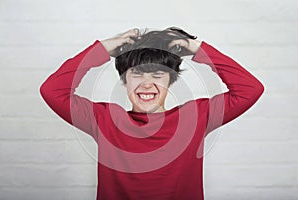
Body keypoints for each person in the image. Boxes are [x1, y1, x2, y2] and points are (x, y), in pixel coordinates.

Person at [40, 27, 264, 200]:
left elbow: (250, 89)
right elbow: (51, 91)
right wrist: (101, 49)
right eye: (137, 74)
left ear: (171, 80)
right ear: (125, 80)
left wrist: (198, 48)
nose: (147, 84)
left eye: (157, 75)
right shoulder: (104, 119)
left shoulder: (195, 116)